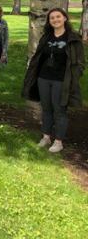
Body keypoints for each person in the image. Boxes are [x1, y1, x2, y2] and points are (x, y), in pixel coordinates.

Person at [23, 8, 85, 153]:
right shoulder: (47, 37)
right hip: (43, 78)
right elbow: (39, 56)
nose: (55, 20)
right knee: (46, 109)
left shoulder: (73, 38)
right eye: (52, 18)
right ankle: (46, 137)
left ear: (64, 18)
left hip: (61, 80)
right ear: (49, 22)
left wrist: (73, 78)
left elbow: (80, 62)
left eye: (58, 17)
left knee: (59, 110)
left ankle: (58, 141)